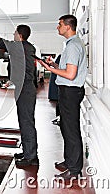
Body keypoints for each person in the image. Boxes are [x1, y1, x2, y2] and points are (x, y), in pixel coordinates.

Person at [38, 15, 88, 180]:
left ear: (68, 26)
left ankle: (74, 170)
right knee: (66, 128)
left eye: (59, 24)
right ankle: (69, 162)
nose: (57, 27)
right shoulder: (71, 45)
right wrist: (54, 65)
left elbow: (70, 75)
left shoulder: (73, 46)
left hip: (70, 91)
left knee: (71, 130)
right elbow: (67, 69)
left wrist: (49, 69)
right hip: (68, 91)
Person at [0, 25, 39, 166]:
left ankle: (31, 157)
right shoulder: (30, 47)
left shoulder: (17, 46)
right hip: (27, 87)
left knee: (26, 122)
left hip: (25, 89)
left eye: (14, 33)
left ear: (19, 35)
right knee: (25, 120)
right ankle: (27, 152)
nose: (13, 35)